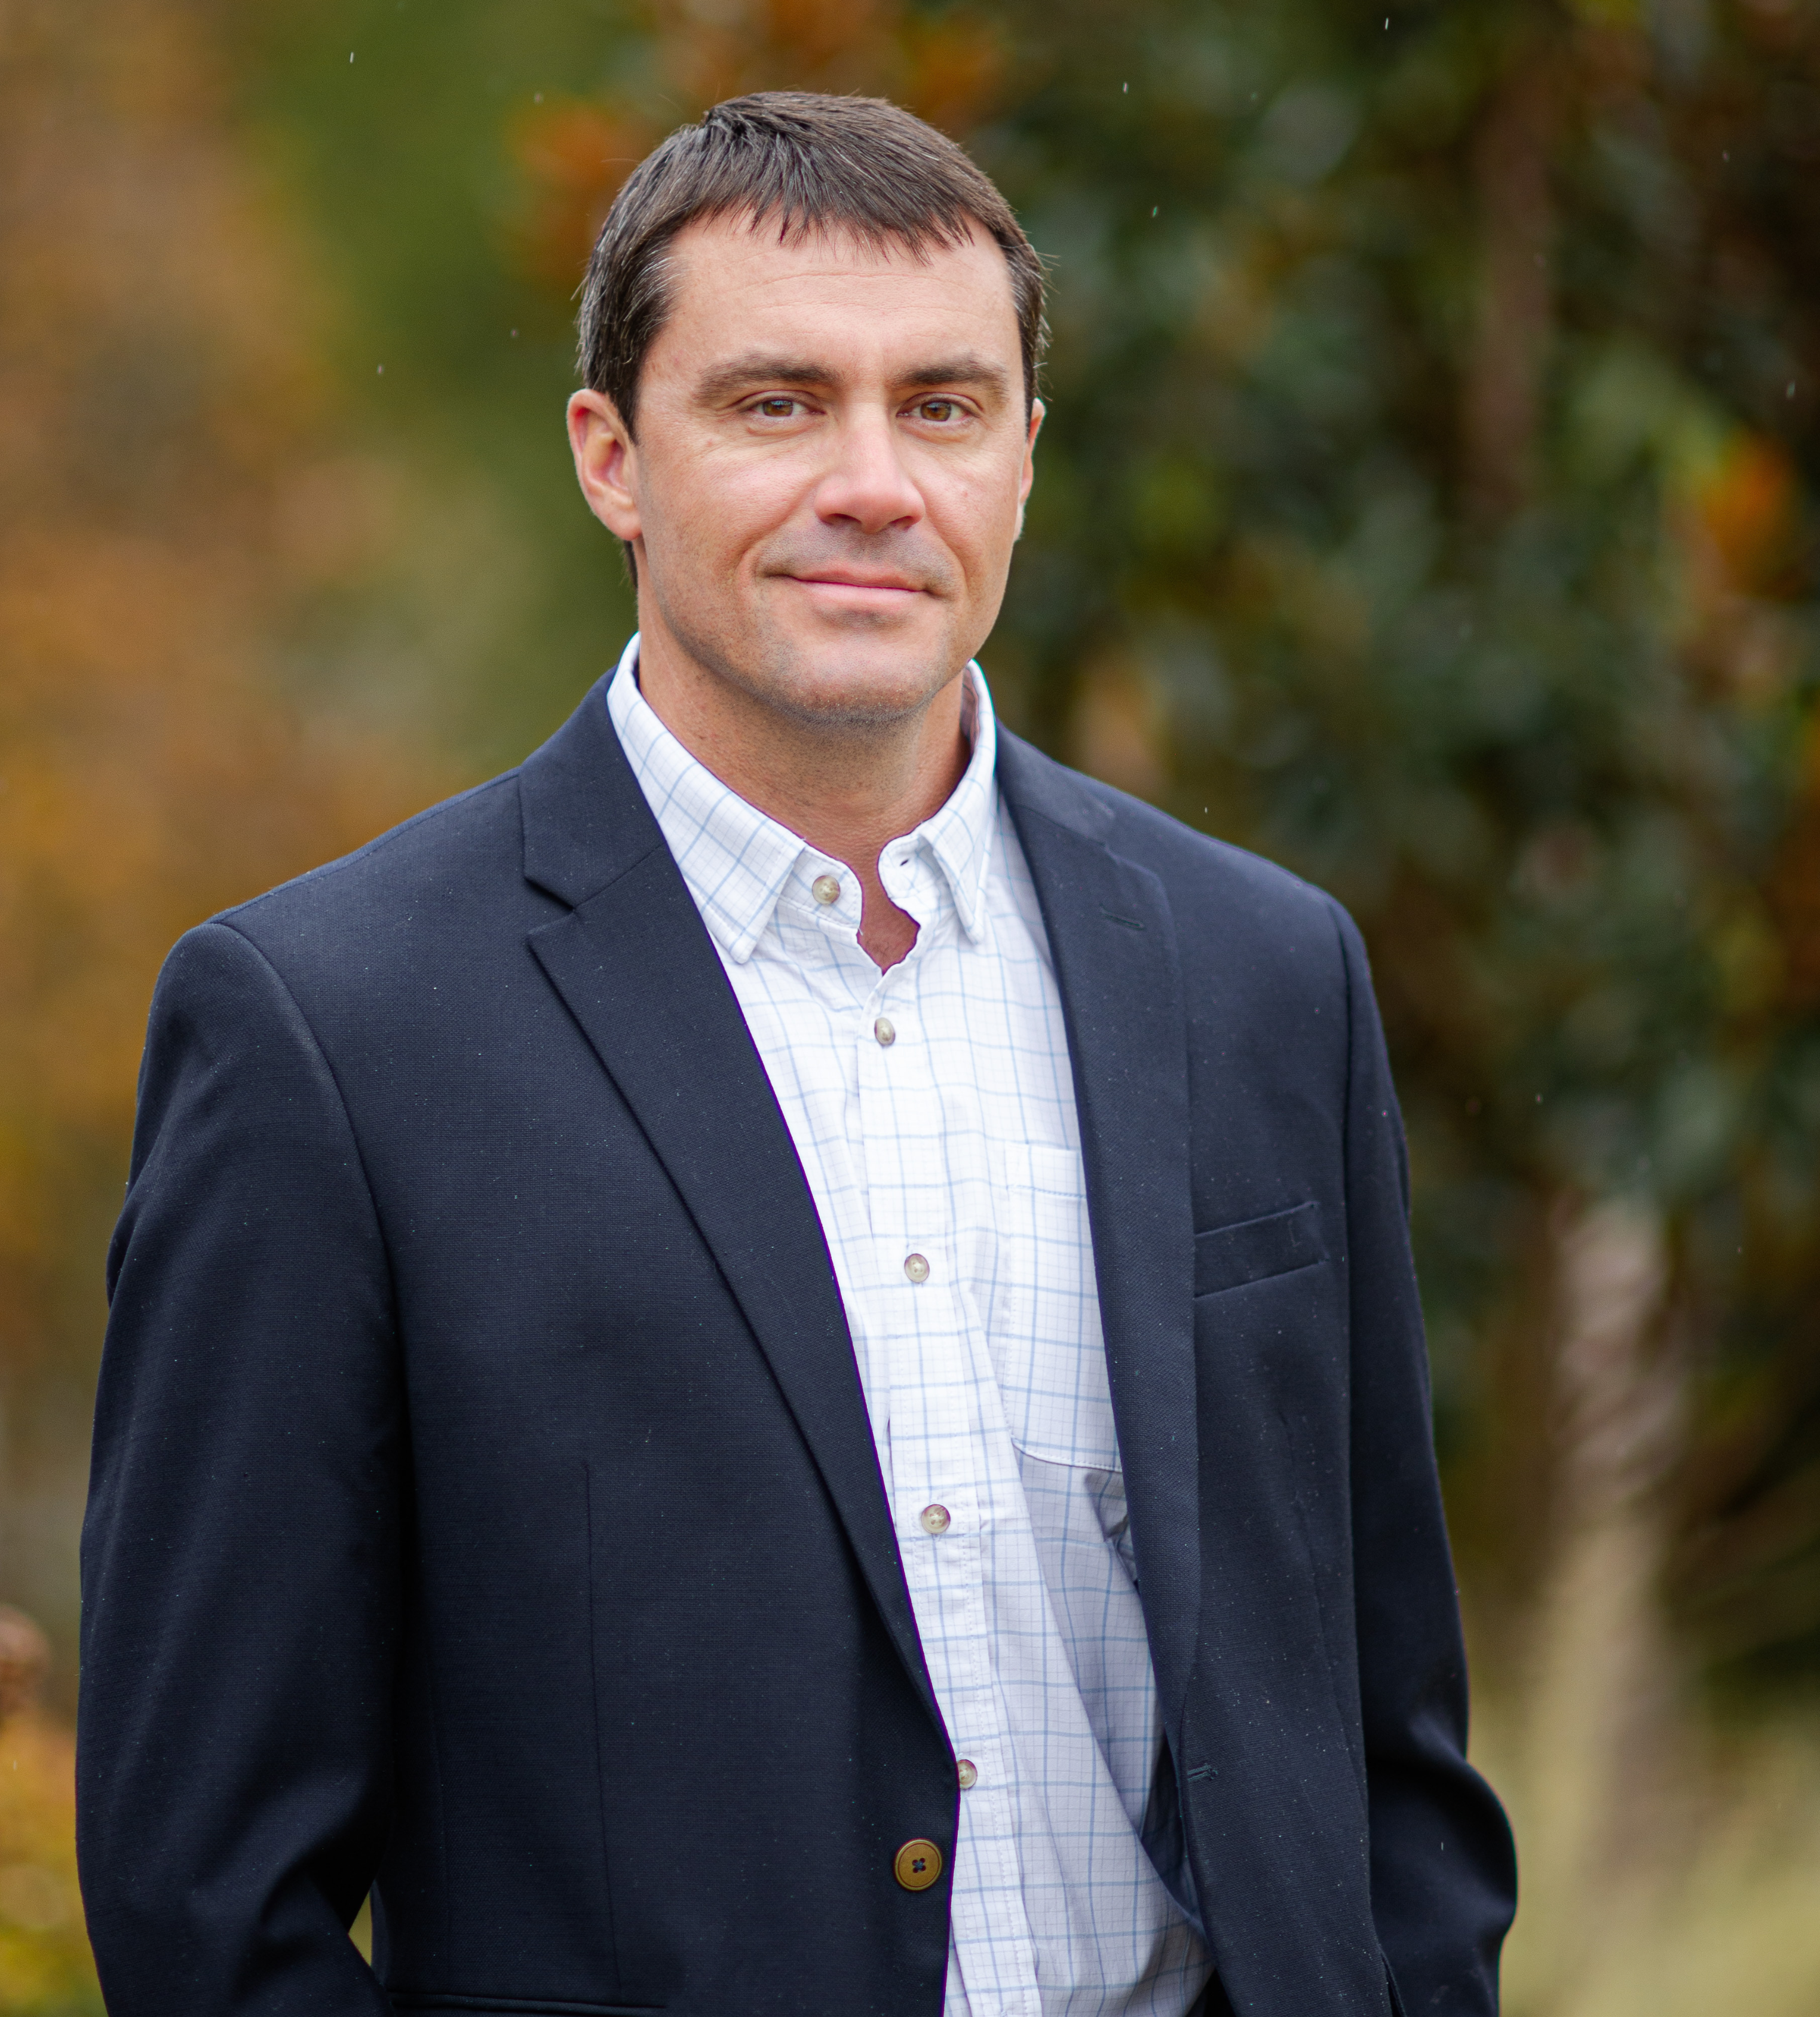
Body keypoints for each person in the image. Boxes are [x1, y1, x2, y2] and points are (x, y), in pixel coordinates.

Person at [77, 91, 1515, 2017]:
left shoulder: (1260, 973)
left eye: (941, 405)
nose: (871, 480)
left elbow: (1387, 1763)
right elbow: (203, 1897)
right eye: (774, 403)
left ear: (1022, 456)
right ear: (610, 456)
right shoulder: (328, 1028)